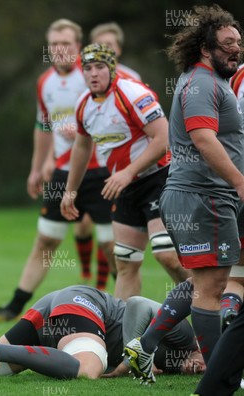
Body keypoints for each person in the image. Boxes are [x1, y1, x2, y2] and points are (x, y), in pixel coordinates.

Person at [121, 4, 244, 384]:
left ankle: (145, 346)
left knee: (205, 282)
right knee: (213, 288)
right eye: (227, 44)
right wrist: (240, 181)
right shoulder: (203, 84)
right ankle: (218, 379)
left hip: (202, 197)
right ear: (206, 48)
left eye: (239, 42)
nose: (236, 49)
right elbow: (204, 140)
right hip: (202, 196)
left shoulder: (211, 81)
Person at [0, 19, 115, 323]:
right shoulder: (45, 82)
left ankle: (123, 308)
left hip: (102, 172)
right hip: (63, 174)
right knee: (46, 241)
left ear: (77, 46)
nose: (59, 49)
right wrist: (36, 168)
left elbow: (113, 118)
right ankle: (14, 307)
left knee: (111, 246)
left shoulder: (93, 73)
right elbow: (42, 127)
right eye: (53, 44)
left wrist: (82, 128)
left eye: (65, 43)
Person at [60, 43, 190, 301]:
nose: (93, 73)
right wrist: (70, 190)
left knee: (168, 257)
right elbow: (82, 146)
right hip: (126, 188)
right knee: (126, 264)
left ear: (111, 68)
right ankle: (125, 335)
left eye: (99, 67)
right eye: (87, 68)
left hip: (160, 179)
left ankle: (208, 306)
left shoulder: (131, 93)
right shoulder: (83, 104)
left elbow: (164, 137)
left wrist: (128, 172)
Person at [0, 286, 203, 382]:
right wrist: (131, 361)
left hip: (57, 307)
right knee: (88, 369)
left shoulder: (180, 365)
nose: (201, 367)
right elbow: (138, 304)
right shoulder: (187, 337)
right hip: (83, 305)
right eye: (207, 360)